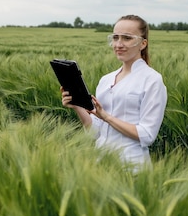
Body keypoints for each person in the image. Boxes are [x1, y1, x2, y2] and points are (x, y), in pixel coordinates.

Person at [61, 15, 167, 171]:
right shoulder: (106, 80)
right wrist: (78, 106)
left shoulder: (152, 80)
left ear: (142, 44)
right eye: (115, 37)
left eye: (127, 38)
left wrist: (107, 117)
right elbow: (95, 133)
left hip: (132, 167)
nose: (119, 44)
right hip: (101, 164)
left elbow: (147, 135)